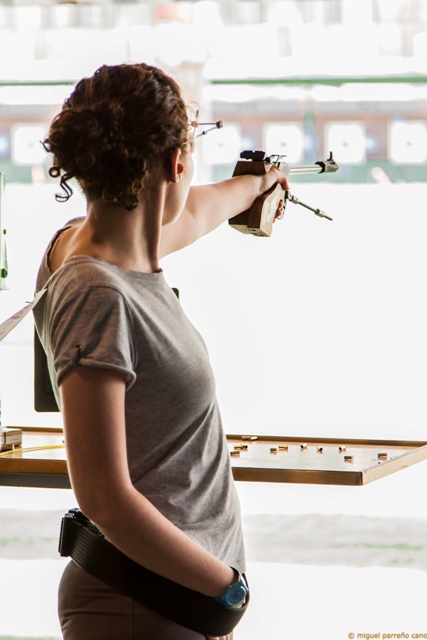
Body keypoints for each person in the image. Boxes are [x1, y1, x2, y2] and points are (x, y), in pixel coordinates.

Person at [34, 63, 289, 640]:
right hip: (142, 605)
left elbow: (195, 212)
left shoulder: (97, 245)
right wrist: (224, 589)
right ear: (176, 162)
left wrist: (258, 184)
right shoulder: (98, 291)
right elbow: (102, 495)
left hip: (168, 602)